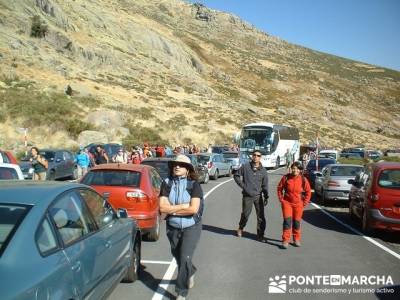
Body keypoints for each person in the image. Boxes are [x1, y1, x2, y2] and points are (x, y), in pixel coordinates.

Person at [159, 155, 203, 300]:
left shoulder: (194, 185)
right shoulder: (166, 183)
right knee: (178, 257)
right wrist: (183, 206)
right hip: (172, 227)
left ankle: (181, 292)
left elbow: (193, 209)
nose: (177, 167)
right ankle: (190, 271)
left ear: (187, 170)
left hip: (191, 227)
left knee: (184, 258)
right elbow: (162, 207)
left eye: (181, 165)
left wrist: (172, 209)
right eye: (175, 164)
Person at [234, 150, 269, 242]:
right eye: (254, 155)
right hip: (247, 196)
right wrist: (243, 186)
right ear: (252, 156)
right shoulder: (245, 167)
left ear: (260, 157)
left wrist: (266, 196)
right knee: (245, 214)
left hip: (258, 196)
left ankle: (260, 235)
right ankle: (241, 228)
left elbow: (265, 185)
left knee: (261, 216)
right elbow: (236, 175)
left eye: (258, 155)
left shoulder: (263, 170)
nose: (256, 157)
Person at [277, 161, 311, 249]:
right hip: (287, 203)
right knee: (287, 222)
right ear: (291, 169)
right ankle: (285, 240)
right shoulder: (286, 178)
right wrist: (281, 199)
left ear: (299, 170)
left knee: (296, 222)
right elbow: (279, 188)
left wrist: (304, 203)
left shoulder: (303, 179)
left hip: (298, 204)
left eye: (297, 169)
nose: (294, 170)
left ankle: (296, 239)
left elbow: (308, 192)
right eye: (293, 168)